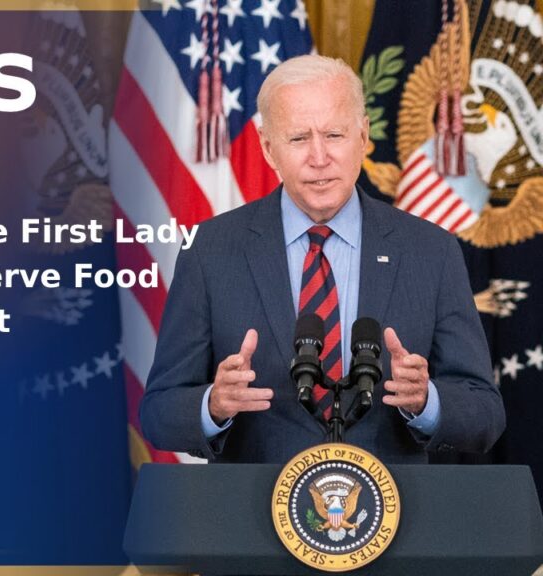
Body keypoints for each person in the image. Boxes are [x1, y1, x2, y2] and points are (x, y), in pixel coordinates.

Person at [139, 55, 505, 464]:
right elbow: (158, 413)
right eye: (298, 138)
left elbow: (485, 414)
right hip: (252, 517)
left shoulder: (430, 251)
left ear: (363, 136)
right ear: (267, 146)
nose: (319, 157)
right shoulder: (211, 250)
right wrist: (213, 405)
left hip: (396, 517)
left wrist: (427, 401)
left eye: (334, 134)